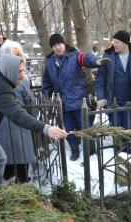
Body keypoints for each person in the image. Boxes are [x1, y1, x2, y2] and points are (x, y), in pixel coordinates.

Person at [0, 54, 68, 188]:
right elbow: (18, 116)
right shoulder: (3, 92)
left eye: (23, 70)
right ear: (10, 71)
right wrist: (46, 128)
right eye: (20, 71)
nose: (23, 76)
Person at [43, 33, 110, 161]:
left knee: (85, 127)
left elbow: (85, 58)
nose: (58, 47)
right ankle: (74, 150)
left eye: (59, 44)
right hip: (62, 103)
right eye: (55, 46)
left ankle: (91, 150)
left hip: (78, 101)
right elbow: (46, 82)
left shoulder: (74, 56)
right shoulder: (50, 61)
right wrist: (47, 97)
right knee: (68, 129)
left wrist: (96, 61)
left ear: (64, 44)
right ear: (52, 48)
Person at [0, 40, 37, 182]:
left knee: (7, 148)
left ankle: (7, 174)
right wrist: (33, 116)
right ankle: (22, 178)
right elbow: (30, 100)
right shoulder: (22, 78)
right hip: (20, 117)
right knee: (22, 150)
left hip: (1, 117)